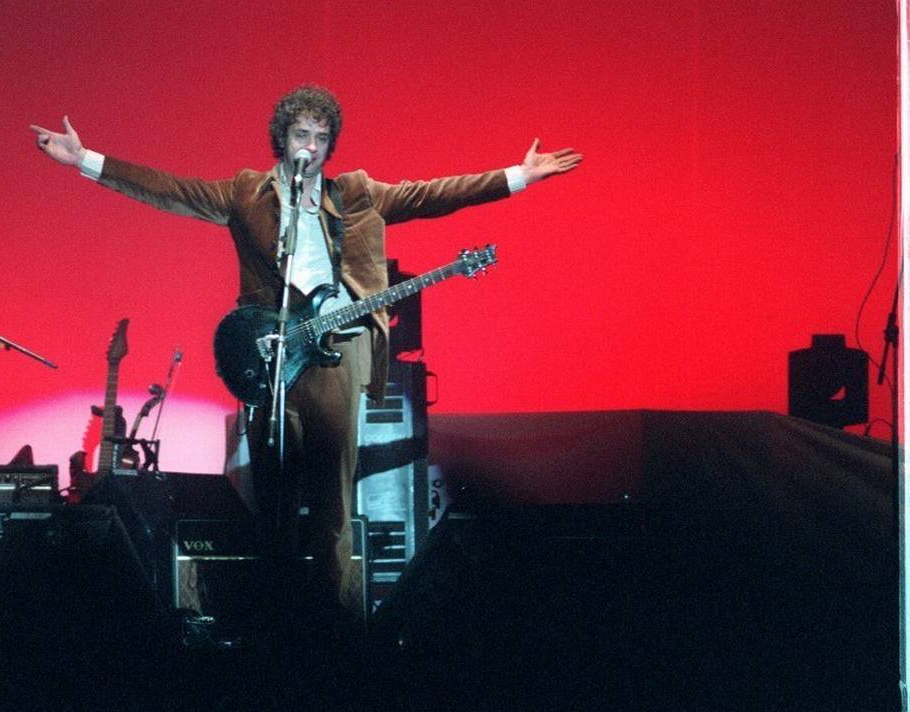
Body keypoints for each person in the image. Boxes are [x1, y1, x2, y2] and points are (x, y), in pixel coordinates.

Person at [30, 84, 581, 629]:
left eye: (320, 137)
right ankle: (277, 623)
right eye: (301, 135)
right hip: (274, 357)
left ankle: (335, 627)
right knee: (272, 499)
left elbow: (433, 195)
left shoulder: (359, 194)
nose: (310, 147)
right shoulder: (247, 193)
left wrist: (517, 177)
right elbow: (173, 190)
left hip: (339, 353)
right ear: (282, 139)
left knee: (331, 504)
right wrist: (87, 160)